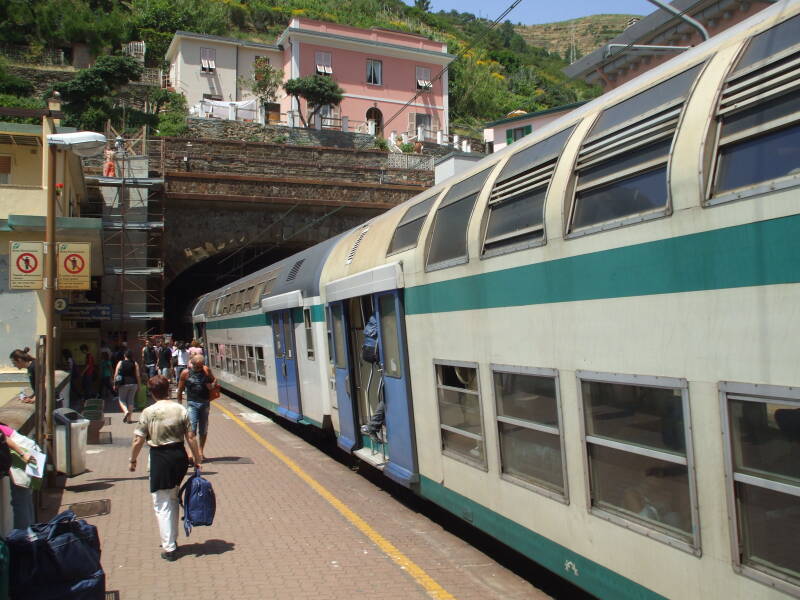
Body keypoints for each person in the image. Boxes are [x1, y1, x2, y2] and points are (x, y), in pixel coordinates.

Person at [128, 375, 201, 561]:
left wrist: (133, 460)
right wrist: (197, 458)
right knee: (173, 497)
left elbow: (138, 440)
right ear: (168, 389)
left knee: (161, 503)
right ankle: (172, 539)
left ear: (152, 393)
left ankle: (169, 548)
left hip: (160, 458)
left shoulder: (148, 412)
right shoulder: (180, 409)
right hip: (179, 457)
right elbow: (191, 436)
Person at [177, 355, 217, 461]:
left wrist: (212, 386)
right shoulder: (185, 373)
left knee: (203, 428)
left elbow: (214, 380)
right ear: (192, 364)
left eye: (201, 366)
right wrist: (179, 403)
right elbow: (180, 389)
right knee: (192, 428)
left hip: (205, 403)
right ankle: (191, 453)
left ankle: (200, 451)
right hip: (192, 403)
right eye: (197, 366)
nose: (199, 369)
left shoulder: (206, 370)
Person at [0, 422, 37, 529]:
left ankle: (23, 538)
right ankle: (31, 534)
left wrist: (22, 454)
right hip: (27, 452)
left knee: (20, 501)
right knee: (25, 498)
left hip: (23, 456)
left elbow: (5, 439)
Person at [113, 350, 141, 423]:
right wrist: (139, 385)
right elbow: (138, 375)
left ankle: (125, 411)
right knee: (130, 401)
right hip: (133, 384)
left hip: (123, 383)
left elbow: (116, 374)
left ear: (124, 356)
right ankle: (129, 419)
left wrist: (114, 384)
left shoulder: (120, 363)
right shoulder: (135, 363)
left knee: (122, 400)